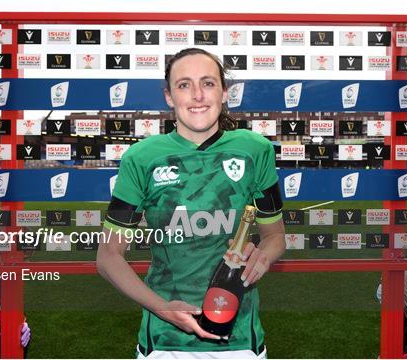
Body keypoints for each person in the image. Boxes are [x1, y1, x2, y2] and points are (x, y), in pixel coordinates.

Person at [97, 47, 285, 359]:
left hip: (239, 342)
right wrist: (162, 308)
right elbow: (108, 256)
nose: (197, 95)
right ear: (169, 96)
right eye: (184, 85)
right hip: (164, 341)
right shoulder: (141, 159)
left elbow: (275, 236)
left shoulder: (256, 150)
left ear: (225, 92)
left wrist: (262, 258)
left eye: (208, 83)